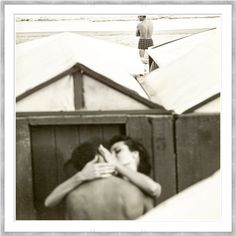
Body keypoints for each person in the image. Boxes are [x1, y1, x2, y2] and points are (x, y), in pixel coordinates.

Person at [44, 136, 161, 219]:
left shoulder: (73, 197)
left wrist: (116, 164)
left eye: (118, 151)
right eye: (109, 153)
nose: (112, 157)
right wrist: (82, 175)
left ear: (135, 154)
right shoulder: (138, 193)